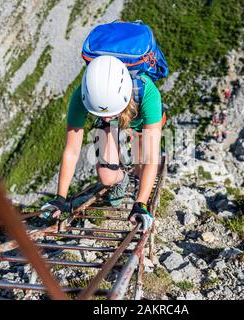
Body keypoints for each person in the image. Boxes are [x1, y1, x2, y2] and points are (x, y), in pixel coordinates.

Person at [40, 55, 166, 232]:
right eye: (101, 113)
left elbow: (151, 157)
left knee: (141, 160)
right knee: (106, 177)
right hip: (116, 119)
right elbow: (72, 151)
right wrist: (60, 198)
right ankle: (123, 179)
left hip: (141, 120)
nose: (105, 117)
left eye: (109, 113)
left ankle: (137, 181)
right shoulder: (81, 96)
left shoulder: (148, 93)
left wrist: (141, 204)